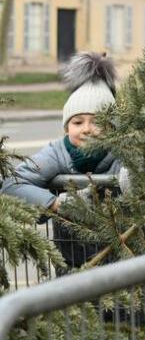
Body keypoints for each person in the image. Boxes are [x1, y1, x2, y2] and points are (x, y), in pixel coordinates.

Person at [2, 51, 121, 270]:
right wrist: (57, 203)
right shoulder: (57, 153)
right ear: (66, 128)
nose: (86, 129)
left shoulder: (122, 152)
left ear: (112, 126)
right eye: (77, 122)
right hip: (71, 263)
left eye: (97, 122)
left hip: (121, 261)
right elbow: (11, 184)